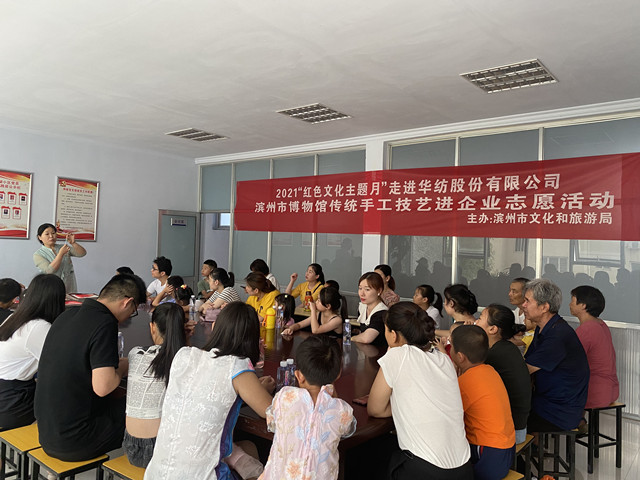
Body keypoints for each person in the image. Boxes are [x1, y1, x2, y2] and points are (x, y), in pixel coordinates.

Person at [145, 302, 275, 479]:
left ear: (214, 327)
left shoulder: (183, 355)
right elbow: (273, 415)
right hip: (202, 476)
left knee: (245, 448)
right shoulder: (237, 366)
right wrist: (261, 390)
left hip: (156, 474)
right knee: (252, 452)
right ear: (253, 338)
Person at [34, 273, 147, 461]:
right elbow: (104, 387)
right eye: (133, 311)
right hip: (76, 440)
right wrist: (127, 365)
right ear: (127, 303)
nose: (129, 317)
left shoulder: (66, 315)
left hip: (47, 431)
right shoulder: (105, 322)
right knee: (143, 408)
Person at [368, 303, 472, 479]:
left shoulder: (398, 355)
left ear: (393, 335)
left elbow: (375, 409)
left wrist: (403, 404)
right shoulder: (444, 359)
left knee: (370, 457)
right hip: (464, 469)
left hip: (426, 471)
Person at [259, 335, 356, 480]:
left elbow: (271, 423)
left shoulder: (284, 396)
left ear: (299, 376)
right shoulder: (342, 410)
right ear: (338, 374)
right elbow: (348, 429)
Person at [522, 279, 589, 432]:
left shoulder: (558, 335)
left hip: (559, 411)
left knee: (508, 416)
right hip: (546, 400)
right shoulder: (544, 328)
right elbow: (528, 361)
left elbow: (524, 370)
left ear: (544, 307)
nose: (523, 305)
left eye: (527, 301)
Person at [124, 303, 187, 468]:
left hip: (131, 447)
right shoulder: (187, 360)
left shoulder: (135, 353)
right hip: (162, 451)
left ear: (152, 327)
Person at [450, 325, 515, 480]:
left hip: (488, 455)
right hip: (506, 449)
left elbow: (449, 416)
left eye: (450, 346)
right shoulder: (490, 371)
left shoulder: (465, 383)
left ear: (460, 357)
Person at [0, 274, 66, 429]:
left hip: (7, 394)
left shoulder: (14, 318)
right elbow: (61, 367)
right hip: (11, 402)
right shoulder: (39, 327)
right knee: (68, 397)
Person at [475, 304, 531, 444]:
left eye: (480, 318)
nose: (476, 321)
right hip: (519, 426)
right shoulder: (508, 348)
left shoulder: (495, 355)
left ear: (493, 329)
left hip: (510, 432)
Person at [570, 285, 619, 409]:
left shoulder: (587, 329)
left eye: (573, 300)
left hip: (595, 391)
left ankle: (577, 420)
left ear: (583, 305)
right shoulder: (601, 324)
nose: (570, 304)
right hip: (611, 389)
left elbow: (571, 360)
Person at [33, 222, 87, 292]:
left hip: (69, 287)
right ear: (39, 237)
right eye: (47, 234)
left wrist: (73, 243)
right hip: (51, 289)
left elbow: (82, 253)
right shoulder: (38, 254)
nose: (51, 236)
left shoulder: (63, 247)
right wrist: (61, 254)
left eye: (53, 233)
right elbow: (49, 271)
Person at [281, 287, 346, 337]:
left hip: (333, 348)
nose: (316, 302)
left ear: (328, 306)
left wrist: (313, 310)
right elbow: (299, 325)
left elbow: (315, 330)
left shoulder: (337, 320)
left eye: (319, 300)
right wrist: (291, 328)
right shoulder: (319, 314)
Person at [351, 272, 389, 347]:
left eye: (367, 289)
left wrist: (349, 338)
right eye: (360, 288)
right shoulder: (362, 307)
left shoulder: (382, 312)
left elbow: (366, 338)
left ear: (379, 291)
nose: (362, 293)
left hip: (379, 351)